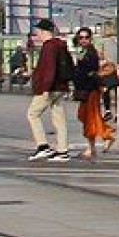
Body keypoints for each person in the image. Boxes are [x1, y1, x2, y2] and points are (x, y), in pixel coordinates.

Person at [25, 18, 75, 161]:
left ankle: (43, 146)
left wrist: (45, 87)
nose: (37, 35)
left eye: (38, 32)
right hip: (61, 86)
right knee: (59, 118)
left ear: (43, 31)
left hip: (50, 87)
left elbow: (49, 68)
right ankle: (62, 150)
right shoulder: (61, 45)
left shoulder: (49, 46)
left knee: (32, 114)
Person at [69, 28, 117, 159]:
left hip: (90, 89)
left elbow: (88, 71)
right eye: (81, 38)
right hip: (85, 88)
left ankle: (94, 145)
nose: (83, 40)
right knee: (86, 116)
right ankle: (105, 135)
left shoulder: (90, 53)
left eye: (86, 37)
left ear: (90, 39)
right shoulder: (82, 52)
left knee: (89, 117)